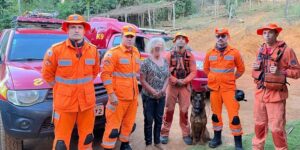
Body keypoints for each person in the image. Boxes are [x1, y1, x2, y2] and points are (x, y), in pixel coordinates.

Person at [42, 14, 100, 150]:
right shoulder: (56, 50)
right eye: (73, 27)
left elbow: (94, 72)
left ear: (84, 30)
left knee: (87, 138)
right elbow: (47, 74)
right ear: (67, 30)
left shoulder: (93, 50)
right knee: (61, 142)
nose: (76, 30)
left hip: (87, 103)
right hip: (64, 105)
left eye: (79, 27)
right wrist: (62, 89)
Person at [252, 23, 300, 150]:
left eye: (270, 33)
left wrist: (281, 71)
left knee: (276, 128)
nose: (267, 36)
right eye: (264, 33)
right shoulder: (260, 50)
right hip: (260, 94)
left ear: (276, 34)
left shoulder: (287, 51)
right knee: (259, 125)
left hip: (276, 96)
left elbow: (297, 72)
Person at [203, 28, 245, 149]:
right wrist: (213, 78)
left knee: (234, 117)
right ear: (215, 38)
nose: (220, 38)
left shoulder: (234, 52)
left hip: (229, 89)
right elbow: (206, 69)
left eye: (223, 36)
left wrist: (231, 78)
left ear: (228, 37)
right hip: (214, 90)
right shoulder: (209, 53)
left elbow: (241, 69)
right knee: (215, 115)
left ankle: (238, 143)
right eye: (218, 36)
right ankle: (217, 138)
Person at [101, 25, 140, 150]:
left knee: (128, 124)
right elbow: (105, 75)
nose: (129, 39)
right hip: (118, 98)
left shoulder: (136, 52)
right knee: (113, 126)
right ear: (121, 37)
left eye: (131, 37)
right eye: (127, 36)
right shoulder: (113, 53)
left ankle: (124, 143)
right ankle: (108, 146)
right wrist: (111, 94)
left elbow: (135, 75)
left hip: (133, 97)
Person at [160, 32, 196, 145]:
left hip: (185, 86)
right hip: (172, 86)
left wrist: (184, 81)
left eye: (183, 38)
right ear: (174, 41)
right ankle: (164, 133)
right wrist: (175, 80)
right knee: (168, 110)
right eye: (178, 38)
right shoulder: (168, 55)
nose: (181, 40)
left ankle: (186, 134)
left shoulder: (190, 56)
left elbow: (193, 71)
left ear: (186, 41)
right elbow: (164, 71)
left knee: (184, 111)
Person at [140, 37, 169, 150]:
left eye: (161, 45)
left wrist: (163, 89)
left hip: (161, 96)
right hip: (148, 97)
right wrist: (152, 91)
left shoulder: (165, 61)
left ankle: (157, 142)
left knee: (159, 119)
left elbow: (167, 77)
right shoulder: (146, 62)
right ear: (151, 47)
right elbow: (142, 80)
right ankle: (148, 144)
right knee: (148, 120)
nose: (159, 47)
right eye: (156, 45)